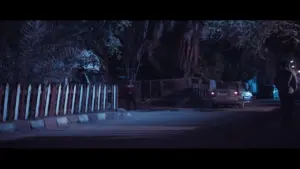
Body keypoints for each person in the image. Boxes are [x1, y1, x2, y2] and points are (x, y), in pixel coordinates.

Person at [274, 60, 298, 127]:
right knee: (289, 106)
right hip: (289, 91)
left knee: (284, 105)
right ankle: (289, 120)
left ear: (281, 66)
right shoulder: (290, 72)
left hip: (282, 91)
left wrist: (279, 87)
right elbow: (294, 83)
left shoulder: (279, 73)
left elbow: (275, 81)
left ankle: (285, 119)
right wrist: (294, 90)